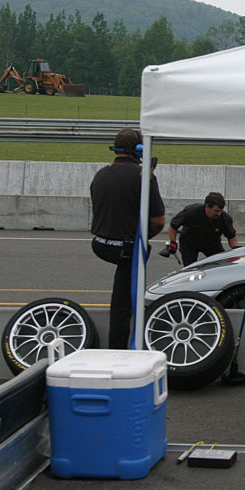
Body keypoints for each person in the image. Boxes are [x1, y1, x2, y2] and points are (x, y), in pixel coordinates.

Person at [90, 128, 166, 350]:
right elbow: (159, 221)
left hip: (101, 243)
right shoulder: (144, 177)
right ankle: (119, 350)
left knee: (123, 296)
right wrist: (141, 238)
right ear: (139, 150)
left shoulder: (100, 174)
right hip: (126, 247)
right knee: (122, 307)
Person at [162, 192, 239, 265]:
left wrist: (236, 250)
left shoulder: (224, 218)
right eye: (216, 211)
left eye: (221, 211)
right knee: (190, 269)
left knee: (221, 265)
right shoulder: (191, 212)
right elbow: (173, 226)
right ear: (207, 206)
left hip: (212, 244)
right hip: (189, 243)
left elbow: (231, 236)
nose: (219, 214)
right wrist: (173, 243)